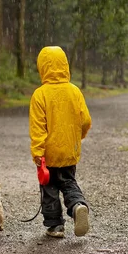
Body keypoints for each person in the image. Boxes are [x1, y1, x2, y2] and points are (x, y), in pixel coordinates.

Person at [29, 46, 92, 238]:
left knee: (49, 189)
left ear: (42, 67)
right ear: (65, 65)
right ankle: (77, 206)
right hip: (68, 151)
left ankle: (55, 226)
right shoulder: (74, 91)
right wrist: (77, 138)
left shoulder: (40, 95)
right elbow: (85, 120)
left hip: (48, 154)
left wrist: (38, 153)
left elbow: (38, 128)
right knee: (68, 183)